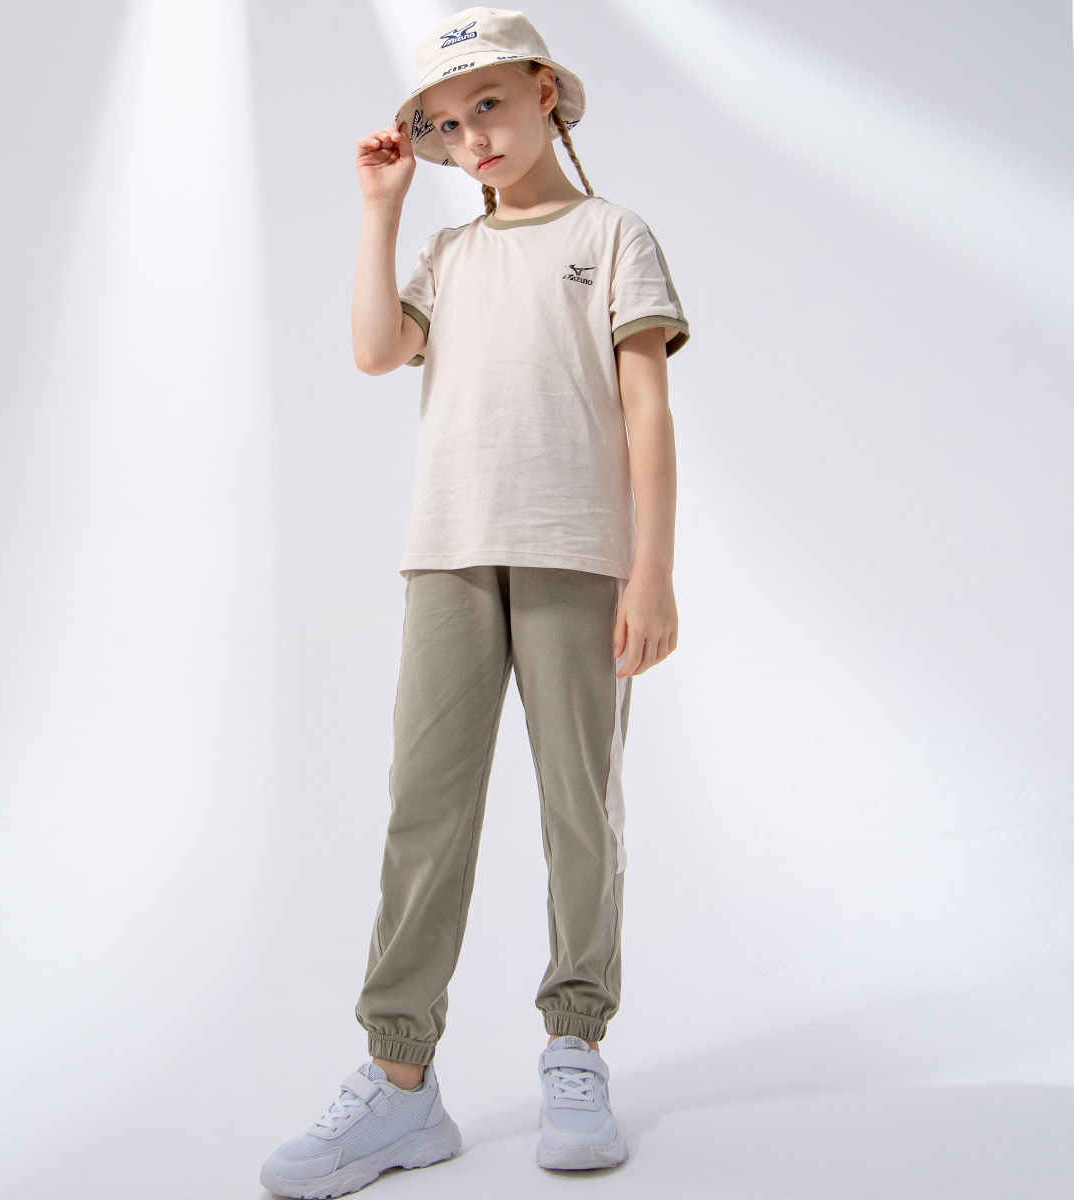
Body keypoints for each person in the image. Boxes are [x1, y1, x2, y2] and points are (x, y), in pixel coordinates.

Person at [260, 8, 689, 1196]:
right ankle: (400, 1082)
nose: (472, 136)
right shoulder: (449, 255)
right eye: (447, 124)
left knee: (579, 808)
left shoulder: (612, 235)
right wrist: (381, 209)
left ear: (545, 92)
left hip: (578, 556)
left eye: (488, 104)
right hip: (448, 554)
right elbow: (372, 350)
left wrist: (652, 568)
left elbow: (647, 409)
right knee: (425, 809)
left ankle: (576, 1045)